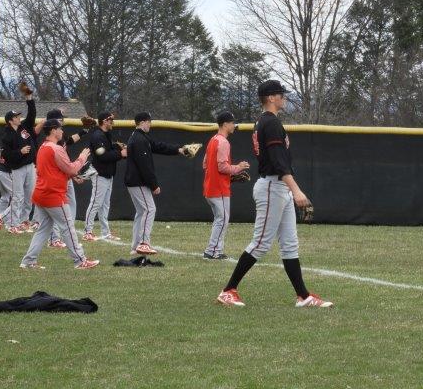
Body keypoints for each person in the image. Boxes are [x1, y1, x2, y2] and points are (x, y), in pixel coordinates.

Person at [216, 80, 332, 308]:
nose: (284, 98)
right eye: (281, 94)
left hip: (278, 186)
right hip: (272, 186)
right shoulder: (270, 123)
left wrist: (290, 189)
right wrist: (296, 190)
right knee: (261, 243)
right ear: (271, 97)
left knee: (290, 244)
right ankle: (228, 290)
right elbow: (279, 162)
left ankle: (303, 296)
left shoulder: (263, 121)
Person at [19, 119, 99, 270]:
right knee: (68, 228)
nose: (62, 131)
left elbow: (57, 170)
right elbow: (71, 168)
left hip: (41, 194)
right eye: (60, 128)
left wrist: (73, 176)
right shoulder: (56, 149)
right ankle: (80, 261)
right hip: (53, 195)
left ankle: (28, 261)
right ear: (53, 130)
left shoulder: (43, 147)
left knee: (43, 230)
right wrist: (82, 158)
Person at [124, 112, 190, 256]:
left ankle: (136, 246)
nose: (150, 124)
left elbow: (158, 146)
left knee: (142, 212)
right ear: (142, 122)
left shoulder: (140, 137)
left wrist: (178, 149)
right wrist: (154, 185)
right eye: (149, 122)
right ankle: (143, 244)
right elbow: (144, 166)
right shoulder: (139, 139)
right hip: (138, 182)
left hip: (134, 182)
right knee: (149, 210)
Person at [202, 111, 250, 260]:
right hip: (219, 189)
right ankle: (213, 251)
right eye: (232, 122)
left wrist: (229, 175)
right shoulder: (223, 142)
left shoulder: (212, 140)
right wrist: (238, 167)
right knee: (222, 220)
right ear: (225, 124)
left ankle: (214, 250)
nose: (234, 125)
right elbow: (222, 167)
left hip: (210, 187)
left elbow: (205, 164)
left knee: (220, 219)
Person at [44, 108, 91, 248]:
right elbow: (60, 163)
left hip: (65, 175)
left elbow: (69, 141)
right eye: (60, 118)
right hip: (57, 178)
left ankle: (65, 237)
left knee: (71, 205)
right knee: (57, 209)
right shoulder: (52, 141)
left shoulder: (59, 137)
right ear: (53, 122)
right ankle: (54, 239)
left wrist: (84, 131)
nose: (63, 121)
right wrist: (74, 173)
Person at [84, 112, 126, 242]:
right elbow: (103, 156)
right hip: (99, 174)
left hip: (108, 174)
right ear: (104, 121)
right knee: (95, 203)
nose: (112, 122)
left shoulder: (105, 134)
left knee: (105, 205)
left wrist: (115, 147)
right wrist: (120, 153)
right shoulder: (98, 136)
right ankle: (88, 232)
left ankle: (105, 232)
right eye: (110, 120)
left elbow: (107, 150)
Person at [1, 89, 36, 234]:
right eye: (16, 116)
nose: (18, 117)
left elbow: (32, 113)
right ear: (10, 120)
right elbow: (6, 156)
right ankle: (12, 224)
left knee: (29, 196)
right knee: (18, 197)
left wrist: (29, 98)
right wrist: (19, 152)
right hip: (17, 169)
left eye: (18, 116)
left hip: (30, 166)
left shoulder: (24, 127)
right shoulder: (6, 136)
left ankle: (23, 221)